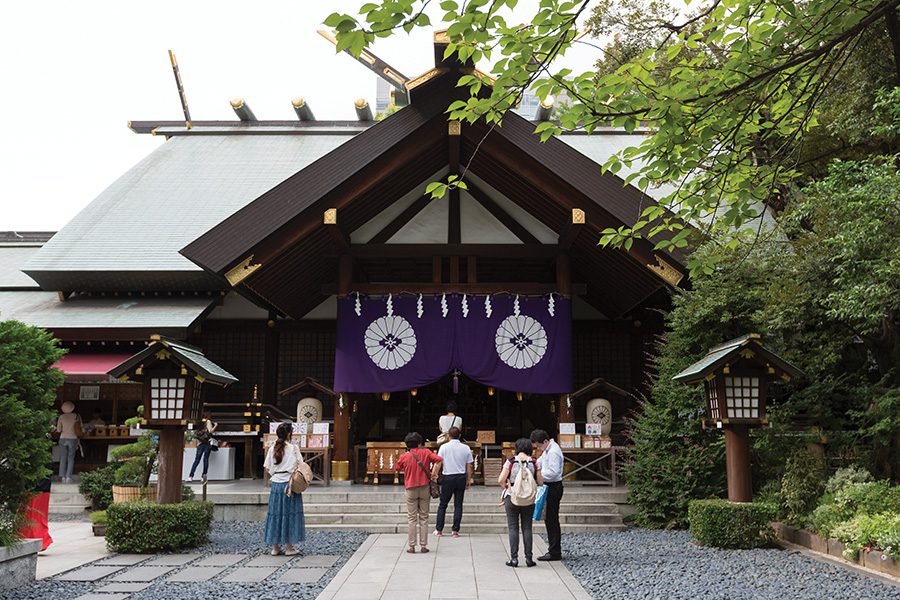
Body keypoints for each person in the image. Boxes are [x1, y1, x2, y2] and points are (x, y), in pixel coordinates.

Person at [394, 431, 442, 553]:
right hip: (425, 487)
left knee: (411, 518)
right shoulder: (426, 452)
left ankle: (411, 546)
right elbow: (439, 459)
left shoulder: (405, 456)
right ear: (420, 442)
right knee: (424, 517)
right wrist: (434, 474)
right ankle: (424, 545)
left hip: (410, 488)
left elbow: (397, 467)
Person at [263, 422, 306, 556]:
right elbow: (301, 464)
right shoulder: (293, 448)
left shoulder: (272, 448)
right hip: (290, 484)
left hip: (276, 484)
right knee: (290, 514)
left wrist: (276, 474)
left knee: (275, 514)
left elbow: (268, 468)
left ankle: (275, 548)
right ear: (289, 434)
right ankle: (289, 547)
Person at [499, 437, 542, 567]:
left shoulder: (511, 461)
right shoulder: (535, 462)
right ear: (530, 448)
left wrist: (508, 487)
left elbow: (501, 479)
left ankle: (514, 559)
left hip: (512, 497)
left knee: (513, 527)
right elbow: (540, 482)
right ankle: (529, 559)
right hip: (529, 498)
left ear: (516, 448)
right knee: (527, 527)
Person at [531, 428, 564, 561]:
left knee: (552, 519)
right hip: (549, 486)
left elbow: (553, 473)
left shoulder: (554, 452)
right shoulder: (548, 450)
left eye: (539, 446)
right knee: (549, 519)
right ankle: (553, 549)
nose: (538, 449)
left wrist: (537, 475)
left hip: (553, 486)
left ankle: (555, 552)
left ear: (545, 441)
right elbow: (539, 462)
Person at [434, 426, 473, 537]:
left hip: (448, 477)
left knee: (443, 504)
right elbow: (469, 465)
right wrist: (468, 478)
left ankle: (439, 530)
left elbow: (438, 463)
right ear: (459, 436)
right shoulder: (465, 448)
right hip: (460, 477)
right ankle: (455, 530)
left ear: (448, 436)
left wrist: (434, 475)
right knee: (458, 504)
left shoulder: (443, 447)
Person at [56, 401, 82, 483]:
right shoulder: (76, 416)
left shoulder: (61, 417)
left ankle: (61, 476)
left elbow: (58, 430)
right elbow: (81, 427)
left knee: (63, 457)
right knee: (71, 458)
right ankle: (68, 476)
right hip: (73, 438)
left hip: (63, 438)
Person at [188, 411, 218, 481]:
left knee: (196, 460)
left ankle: (190, 476)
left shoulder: (198, 422)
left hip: (199, 443)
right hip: (207, 443)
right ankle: (203, 476)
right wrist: (216, 425)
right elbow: (210, 431)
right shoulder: (208, 422)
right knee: (206, 459)